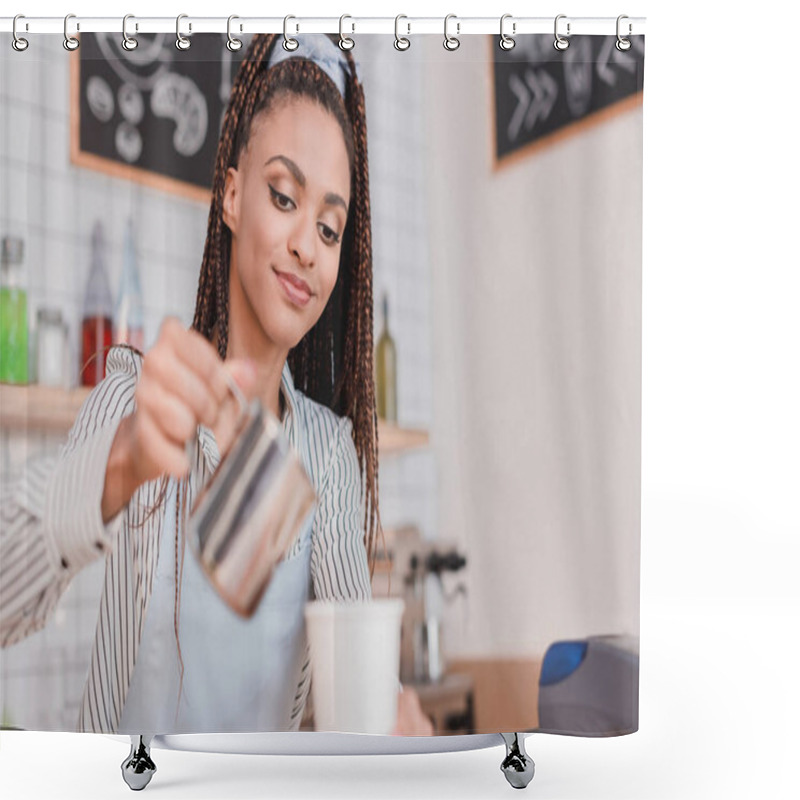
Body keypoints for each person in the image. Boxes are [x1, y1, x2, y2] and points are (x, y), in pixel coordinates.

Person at [0, 32, 432, 737]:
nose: (306, 247)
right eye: (284, 196)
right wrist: (121, 464)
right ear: (231, 195)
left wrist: (393, 719)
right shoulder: (130, 403)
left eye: (329, 228)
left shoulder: (325, 456)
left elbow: (356, 672)